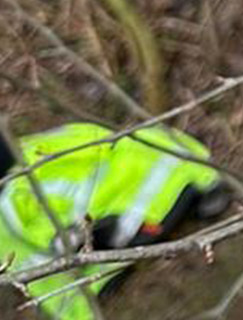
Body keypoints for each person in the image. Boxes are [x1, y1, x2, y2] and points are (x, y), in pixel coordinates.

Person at [0, 123, 228, 320]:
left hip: (153, 203)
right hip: (182, 166)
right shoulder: (37, 149)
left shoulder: (17, 198)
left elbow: (61, 247)